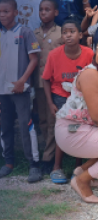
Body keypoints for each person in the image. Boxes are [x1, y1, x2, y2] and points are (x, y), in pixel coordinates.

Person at [0, 0, 42, 183]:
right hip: (3, 90)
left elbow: (34, 60)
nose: (2, 15)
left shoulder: (25, 32)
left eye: (6, 11)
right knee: (5, 127)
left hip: (21, 89)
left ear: (15, 13)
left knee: (26, 126)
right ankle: (8, 163)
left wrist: (22, 81)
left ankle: (34, 165)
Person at [42, 19, 94, 183]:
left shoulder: (89, 53)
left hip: (81, 97)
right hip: (61, 95)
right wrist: (50, 103)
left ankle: (77, 167)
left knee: (81, 129)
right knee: (63, 129)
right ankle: (56, 167)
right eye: (65, 32)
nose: (68, 35)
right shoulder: (54, 54)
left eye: (72, 31)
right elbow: (45, 79)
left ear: (80, 35)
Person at [55, 44, 98, 203]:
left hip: (85, 128)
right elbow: (97, 116)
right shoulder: (90, 74)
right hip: (71, 130)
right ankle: (82, 181)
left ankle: (84, 172)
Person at [33, 0, 63, 176]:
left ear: (56, 13)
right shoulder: (34, 33)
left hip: (55, 85)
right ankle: (48, 150)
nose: (43, 12)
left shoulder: (61, 32)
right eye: (41, 10)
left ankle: (48, 158)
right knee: (43, 120)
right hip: (38, 83)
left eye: (47, 9)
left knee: (53, 121)